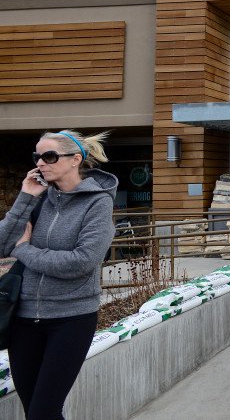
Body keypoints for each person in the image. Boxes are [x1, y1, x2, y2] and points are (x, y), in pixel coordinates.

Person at [0, 130, 117, 420]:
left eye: (49, 156)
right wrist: (25, 197)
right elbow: (3, 244)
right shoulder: (37, 199)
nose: (41, 162)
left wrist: (24, 249)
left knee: (43, 412)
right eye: (37, 156)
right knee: (36, 412)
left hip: (71, 319)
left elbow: (80, 263)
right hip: (23, 319)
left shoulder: (98, 203)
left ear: (75, 159)